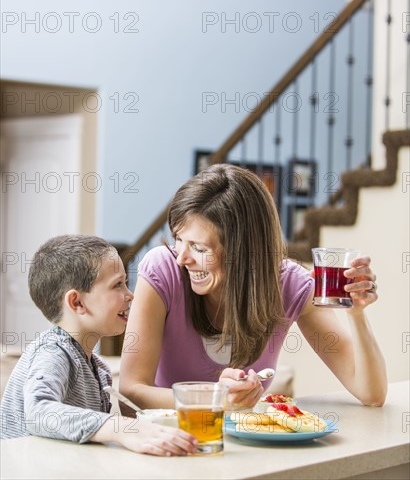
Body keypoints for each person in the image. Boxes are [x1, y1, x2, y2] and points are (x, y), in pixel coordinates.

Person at [119, 164, 387, 412]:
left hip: (247, 455)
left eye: (199, 248)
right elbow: (131, 392)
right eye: (179, 239)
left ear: (243, 251)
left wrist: (356, 313)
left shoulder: (290, 285)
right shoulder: (163, 271)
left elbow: (371, 393)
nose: (182, 258)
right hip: (170, 444)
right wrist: (214, 399)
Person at [0, 235, 197, 456]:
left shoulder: (100, 370)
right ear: (77, 302)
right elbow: (38, 412)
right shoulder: (53, 353)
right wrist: (118, 428)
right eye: (118, 285)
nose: (130, 295)